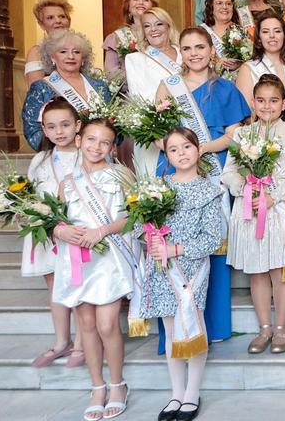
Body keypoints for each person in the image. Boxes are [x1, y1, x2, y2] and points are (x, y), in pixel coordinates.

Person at [154, 27, 252, 354]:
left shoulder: (226, 88)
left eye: (200, 47)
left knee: (211, 243)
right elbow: (157, 134)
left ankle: (213, 325)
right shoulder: (168, 86)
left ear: (212, 50)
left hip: (213, 167)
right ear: (180, 52)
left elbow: (234, 135)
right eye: (187, 48)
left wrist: (200, 151)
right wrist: (180, 154)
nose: (194, 53)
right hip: (174, 169)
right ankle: (175, 331)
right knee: (173, 240)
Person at [52, 118, 137, 420]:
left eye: (104, 142)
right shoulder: (67, 182)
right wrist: (60, 231)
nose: (96, 147)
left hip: (109, 260)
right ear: (79, 140)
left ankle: (117, 384)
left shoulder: (121, 176)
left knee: (107, 325)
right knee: (86, 325)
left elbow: (133, 217)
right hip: (78, 260)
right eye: (90, 139)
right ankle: (97, 387)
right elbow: (56, 221)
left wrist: (101, 231)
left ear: (112, 148)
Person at [224, 74, 285, 355]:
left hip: (279, 209)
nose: (267, 106)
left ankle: (281, 328)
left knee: (279, 270)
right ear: (253, 102)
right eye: (261, 100)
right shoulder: (242, 135)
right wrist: (246, 189)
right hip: (250, 208)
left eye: (273, 101)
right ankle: (264, 329)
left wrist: (274, 196)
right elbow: (230, 171)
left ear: (284, 103)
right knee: (257, 270)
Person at [147, 127, 224, 421]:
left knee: (192, 324)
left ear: (198, 149)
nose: (181, 153)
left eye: (187, 146)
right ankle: (176, 393)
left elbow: (212, 239)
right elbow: (144, 226)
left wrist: (176, 249)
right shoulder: (157, 188)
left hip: (191, 270)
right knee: (170, 329)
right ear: (166, 155)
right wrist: (151, 239)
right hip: (163, 269)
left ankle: (192, 392)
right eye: (173, 149)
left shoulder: (210, 191)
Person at [24, 98, 84, 369]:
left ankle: (82, 343)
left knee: (80, 285)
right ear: (44, 131)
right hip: (50, 234)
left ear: (77, 126)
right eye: (52, 127)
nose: (59, 131)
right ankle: (61, 341)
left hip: (78, 233)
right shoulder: (39, 160)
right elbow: (30, 197)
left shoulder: (87, 154)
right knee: (55, 285)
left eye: (65, 125)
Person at [22, 30, 111, 151]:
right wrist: (65, 150)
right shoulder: (41, 88)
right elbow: (32, 131)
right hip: (61, 156)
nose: (71, 56)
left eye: (76, 52)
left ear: (83, 58)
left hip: (100, 154)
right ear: (52, 57)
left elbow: (113, 123)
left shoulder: (100, 86)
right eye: (63, 52)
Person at [236, 12, 285, 140]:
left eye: (277, 31)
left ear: (284, 35)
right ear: (259, 38)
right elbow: (247, 116)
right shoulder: (248, 69)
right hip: (264, 142)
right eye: (266, 32)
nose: (272, 36)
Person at [125, 7, 183, 176]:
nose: (153, 29)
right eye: (147, 26)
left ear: (168, 26)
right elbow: (138, 100)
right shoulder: (135, 59)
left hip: (191, 126)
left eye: (159, 24)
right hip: (157, 132)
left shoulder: (185, 52)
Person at [103, 0, 158, 75]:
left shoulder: (161, 34)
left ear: (153, 7)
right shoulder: (116, 37)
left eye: (146, 0)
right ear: (128, 8)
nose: (140, 2)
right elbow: (111, 73)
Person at [26, 0, 73, 86]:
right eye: (50, 18)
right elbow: (36, 90)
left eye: (62, 16)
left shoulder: (79, 49)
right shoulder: (36, 52)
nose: (58, 21)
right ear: (41, 24)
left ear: (69, 21)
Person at [200, 0, 245, 79]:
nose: (224, 7)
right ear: (211, 8)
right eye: (219, 3)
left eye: (228, 4)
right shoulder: (202, 32)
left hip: (241, 81)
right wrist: (217, 64)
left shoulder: (243, 31)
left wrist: (240, 64)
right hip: (211, 81)